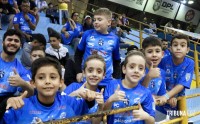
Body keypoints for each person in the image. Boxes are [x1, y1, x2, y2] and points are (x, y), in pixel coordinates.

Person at [1, 57, 97, 123]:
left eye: (52, 77)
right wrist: (5, 103)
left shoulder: (68, 102)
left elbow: (85, 105)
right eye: (41, 78)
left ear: (60, 82)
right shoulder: (21, 106)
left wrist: (90, 98)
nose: (47, 81)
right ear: (33, 83)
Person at [104, 50, 155, 124]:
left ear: (144, 73)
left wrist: (146, 117)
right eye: (132, 67)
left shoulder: (146, 93)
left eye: (140, 68)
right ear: (124, 69)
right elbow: (102, 113)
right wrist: (111, 100)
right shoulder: (112, 85)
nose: (136, 71)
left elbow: (152, 121)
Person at [75, 8, 121, 88]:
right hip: (87, 78)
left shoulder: (115, 39)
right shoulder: (87, 34)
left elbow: (117, 60)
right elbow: (78, 54)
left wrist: (115, 77)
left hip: (106, 80)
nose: (95, 22)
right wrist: (78, 72)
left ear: (109, 22)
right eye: (94, 19)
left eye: (99, 19)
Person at [157, 34, 194, 120]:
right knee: (160, 119)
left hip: (178, 100)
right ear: (170, 48)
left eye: (182, 45)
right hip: (162, 98)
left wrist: (167, 96)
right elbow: (159, 81)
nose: (178, 48)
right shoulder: (163, 60)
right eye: (175, 45)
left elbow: (182, 84)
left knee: (180, 120)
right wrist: (166, 96)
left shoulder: (190, 63)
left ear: (187, 50)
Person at [64, 54, 105, 123]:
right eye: (90, 70)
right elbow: (57, 107)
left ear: (103, 75)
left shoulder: (101, 95)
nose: (94, 74)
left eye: (99, 71)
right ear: (84, 73)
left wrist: (100, 107)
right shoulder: (73, 87)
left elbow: (95, 123)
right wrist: (75, 93)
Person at [0, 29, 34, 104]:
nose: (12, 43)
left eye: (16, 41)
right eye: (9, 39)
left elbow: (31, 92)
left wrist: (22, 83)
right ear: (3, 43)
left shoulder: (22, 70)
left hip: (5, 101)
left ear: (20, 46)